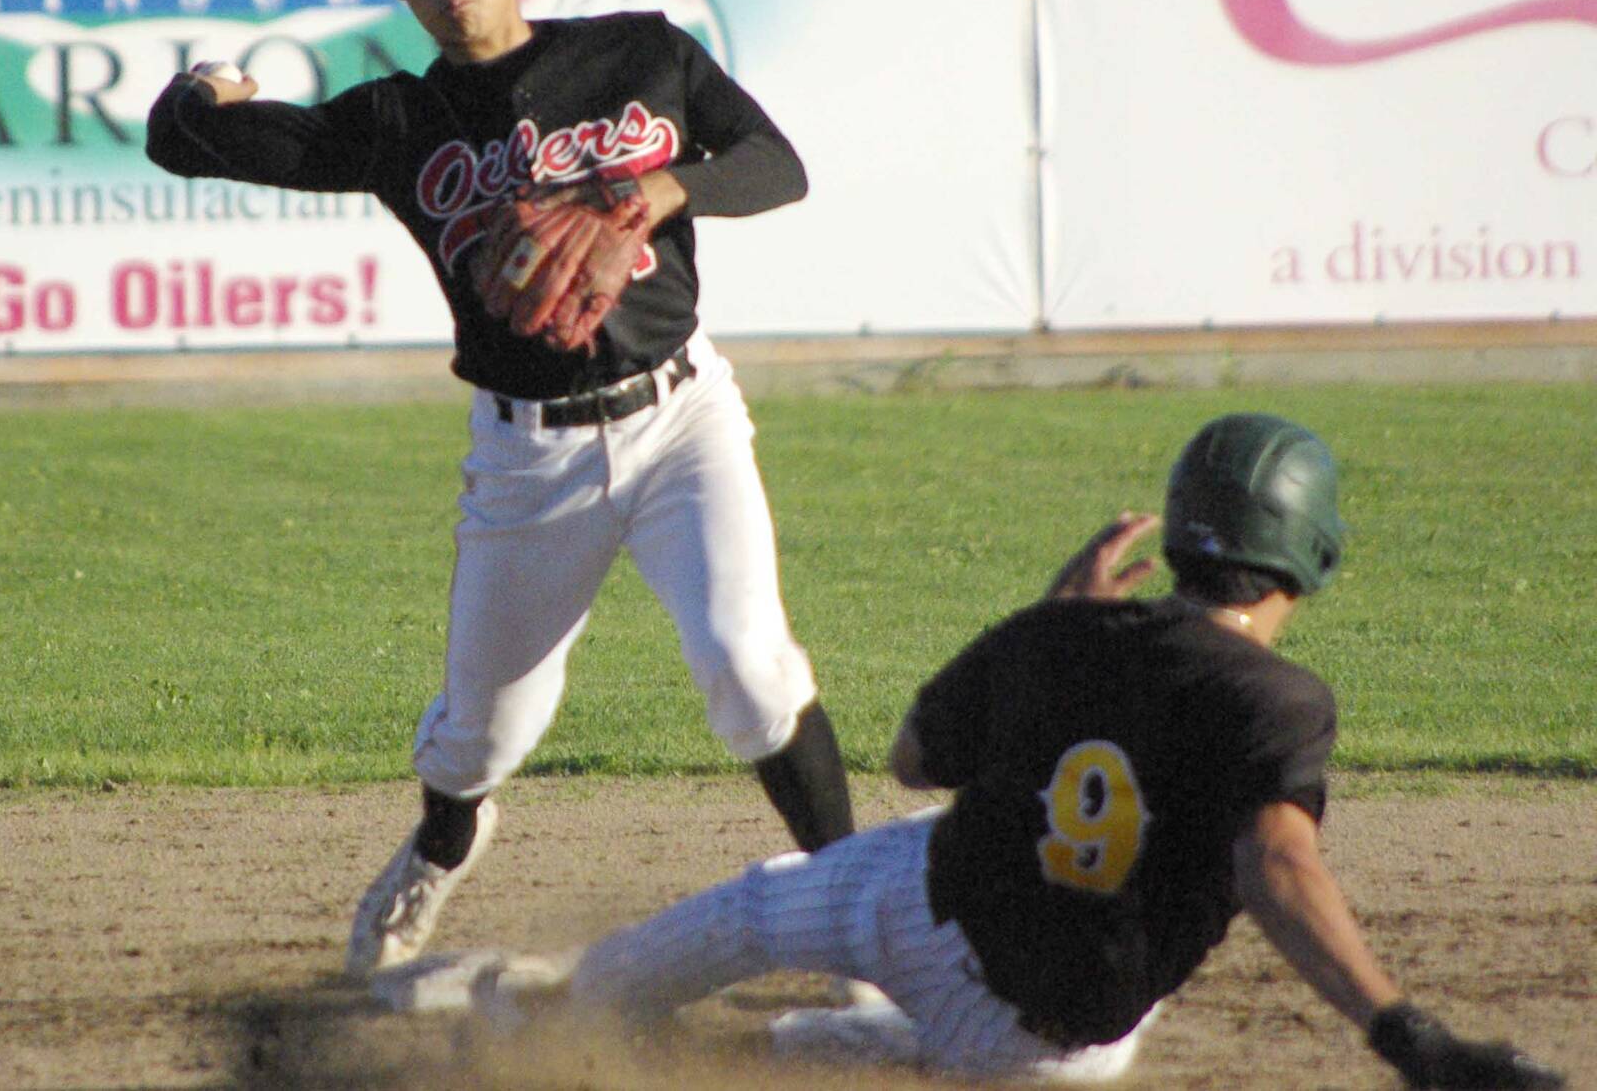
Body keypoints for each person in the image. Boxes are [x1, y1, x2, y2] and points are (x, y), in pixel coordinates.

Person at [144, 0, 856, 979]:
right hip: (528, 462)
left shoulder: (641, 54)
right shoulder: (396, 120)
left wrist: (660, 188)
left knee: (749, 669)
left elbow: (777, 163)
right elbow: (183, 143)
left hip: (683, 421)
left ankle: (853, 909)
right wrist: (201, 94)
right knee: (480, 738)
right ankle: (446, 839)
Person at [475, 414, 1563, 1089]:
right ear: (1312, 555)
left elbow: (910, 759)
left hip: (914, 911)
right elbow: (1273, 861)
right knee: (999, 1042)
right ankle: (764, 1061)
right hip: (1060, 1049)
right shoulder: (1280, 702)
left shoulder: (1060, 634)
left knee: (764, 907)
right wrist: (1399, 1031)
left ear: (1179, 532)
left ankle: (568, 1018)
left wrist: (1045, 623)